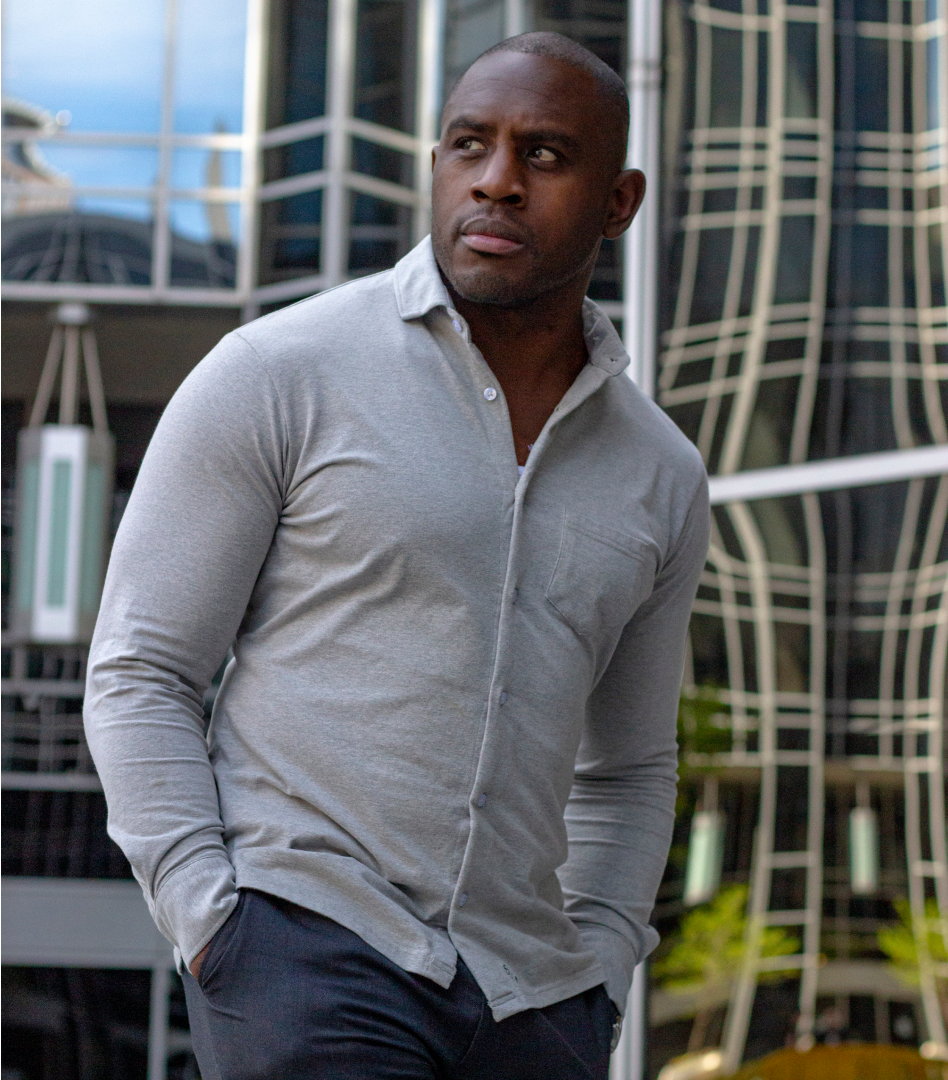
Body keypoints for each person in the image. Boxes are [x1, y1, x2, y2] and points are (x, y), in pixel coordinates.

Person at [84, 31, 709, 1080]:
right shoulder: (279, 372)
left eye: (545, 156)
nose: (497, 183)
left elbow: (632, 767)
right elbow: (143, 669)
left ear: (620, 202)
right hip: (308, 945)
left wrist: (600, 975)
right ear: (436, 165)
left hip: (535, 997)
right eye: (470, 146)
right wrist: (211, 923)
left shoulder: (661, 473)